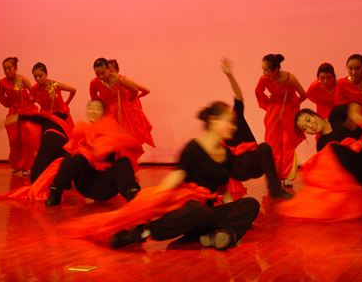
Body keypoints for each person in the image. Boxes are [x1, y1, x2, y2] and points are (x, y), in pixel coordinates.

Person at [108, 101, 260, 250]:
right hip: (188, 211)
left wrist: (236, 213)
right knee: (200, 211)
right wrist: (152, 200)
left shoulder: (227, 154)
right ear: (213, 121)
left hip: (206, 214)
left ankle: (222, 235)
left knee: (251, 204)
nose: (233, 127)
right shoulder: (193, 148)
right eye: (229, 122)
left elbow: (224, 191)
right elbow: (175, 178)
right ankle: (142, 233)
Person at [45, 99, 143, 206]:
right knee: (74, 159)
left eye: (98, 108)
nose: (93, 111)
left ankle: (132, 194)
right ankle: (55, 194)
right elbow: (70, 151)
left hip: (107, 182)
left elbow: (125, 144)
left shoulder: (110, 127)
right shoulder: (82, 129)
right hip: (87, 182)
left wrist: (102, 147)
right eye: (91, 108)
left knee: (123, 161)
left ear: (103, 113)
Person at [220, 58, 292, 198]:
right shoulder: (221, 133)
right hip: (238, 168)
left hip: (253, 163)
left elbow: (239, 96)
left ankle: (275, 189)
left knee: (264, 147)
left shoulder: (237, 118)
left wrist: (230, 75)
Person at [255, 54, 307, 185]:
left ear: (276, 69)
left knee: (287, 143)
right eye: (263, 69)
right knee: (272, 142)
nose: (264, 72)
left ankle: (287, 175)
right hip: (274, 111)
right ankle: (274, 175)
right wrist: (269, 104)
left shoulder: (290, 78)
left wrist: (293, 105)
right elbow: (259, 92)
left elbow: (303, 95)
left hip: (289, 110)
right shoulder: (264, 79)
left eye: (266, 70)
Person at [90, 57, 155, 147]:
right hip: (107, 110)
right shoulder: (94, 82)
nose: (101, 76)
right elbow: (93, 97)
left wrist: (130, 102)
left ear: (110, 70)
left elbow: (137, 91)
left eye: (103, 73)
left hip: (121, 110)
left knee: (124, 136)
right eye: (97, 74)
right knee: (106, 136)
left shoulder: (120, 79)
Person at [0, 57, 40, 176]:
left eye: (9, 68)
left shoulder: (23, 79)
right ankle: (17, 164)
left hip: (27, 110)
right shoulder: (2, 82)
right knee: (13, 139)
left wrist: (31, 101)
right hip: (14, 112)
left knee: (26, 139)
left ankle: (26, 166)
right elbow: (0, 97)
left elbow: (34, 92)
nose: (7, 71)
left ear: (15, 68)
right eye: (4, 69)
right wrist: (9, 104)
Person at [31, 62, 76, 128]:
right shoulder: (35, 88)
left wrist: (67, 102)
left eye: (40, 76)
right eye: (35, 76)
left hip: (60, 113)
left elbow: (73, 90)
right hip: (46, 114)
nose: (37, 79)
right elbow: (34, 98)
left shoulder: (56, 85)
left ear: (46, 74)